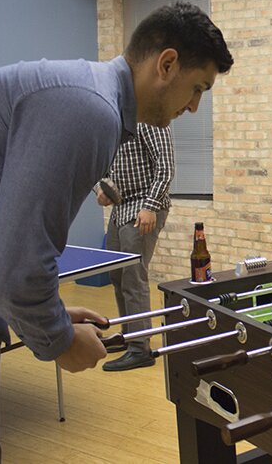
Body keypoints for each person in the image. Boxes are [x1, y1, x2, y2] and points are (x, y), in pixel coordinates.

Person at [0, 1, 233, 463]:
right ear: (166, 64)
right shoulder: (90, 110)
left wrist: (56, 313)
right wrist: (59, 342)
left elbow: (8, 248)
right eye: (197, 88)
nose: (194, 106)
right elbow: (11, 268)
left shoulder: (90, 95)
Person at [95, 122, 175, 371]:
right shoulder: (111, 122)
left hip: (143, 208)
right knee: (116, 274)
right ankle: (128, 336)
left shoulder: (149, 119)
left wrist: (150, 206)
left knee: (133, 277)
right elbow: (98, 168)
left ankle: (140, 349)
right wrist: (100, 189)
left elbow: (165, 167)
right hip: (120, 210)